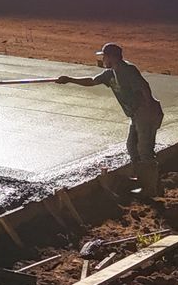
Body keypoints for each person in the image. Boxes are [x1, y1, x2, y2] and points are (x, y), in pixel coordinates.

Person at [58, 42, 166, 198]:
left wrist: (146, 111)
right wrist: (69, 79)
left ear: (112, 57)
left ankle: (150, 189)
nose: (103, 60)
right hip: (136, 115)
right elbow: (92, 81)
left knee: (145, 150)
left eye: (104, 56)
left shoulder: (127, 69)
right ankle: (147, 183)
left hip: (145, 113)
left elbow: (143, 87)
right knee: (132, 147)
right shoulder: (109, 73)